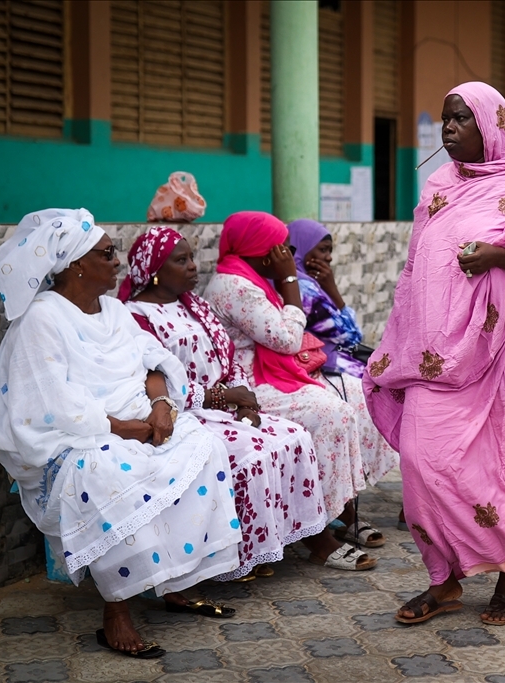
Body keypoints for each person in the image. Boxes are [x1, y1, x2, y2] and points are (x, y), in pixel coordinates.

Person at [364, 82, 505, 627]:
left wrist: (504, 256)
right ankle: (444, 582)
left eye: (461, 119)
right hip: (437, 353)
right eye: (444, 119)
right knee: (422, 459)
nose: (449, 129)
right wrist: (401, 341)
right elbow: (415, 274)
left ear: (491, 125)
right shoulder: (438, 187)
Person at [0, 209, 244, 658]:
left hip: (140, 422)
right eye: (107, 254)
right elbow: (49, 405)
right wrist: (129, 430)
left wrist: (161, 408)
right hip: (73, 439)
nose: (117, 262)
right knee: (106, 470)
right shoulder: (42, 320)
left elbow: (153, 361)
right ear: (76, 264)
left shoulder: (114, 310)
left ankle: (176, 584)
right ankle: (116, 610)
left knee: (204, 445)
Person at [121, 227, 376, 578]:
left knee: (292, 437)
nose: (194, 267)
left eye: (193, 257)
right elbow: (152, 384)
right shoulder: (136, 317)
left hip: (227, 406)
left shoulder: (193, 305)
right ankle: (296, 544)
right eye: (182, 261)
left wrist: (245, 402)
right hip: (188, 413)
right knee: (254, 451)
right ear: (153, 272)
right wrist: (222, 397)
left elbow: (230, 359)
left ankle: (289, 537)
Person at [205, 211, 399, 560]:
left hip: (277, 371)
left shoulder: (252, 279)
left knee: (357, 396)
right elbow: (287, 339)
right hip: (248, 382)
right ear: (257, 249)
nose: (283, 255)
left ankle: (343, 509)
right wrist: (290, 280)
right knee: (332, 413)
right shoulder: (235, 286)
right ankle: (318, 530)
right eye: (278, 247)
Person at [287, 219, 368, 377]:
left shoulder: (295, 282)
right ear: (299, 248)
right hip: (322, 367)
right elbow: (350, 337)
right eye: (323, 250)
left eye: (330, 251)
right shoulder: (303, 288)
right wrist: (333, 291)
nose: (329, 258)